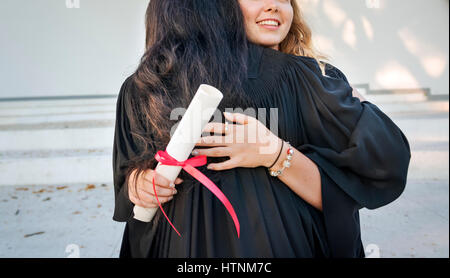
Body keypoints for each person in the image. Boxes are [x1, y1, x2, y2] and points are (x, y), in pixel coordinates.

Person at [112, 0, 411, 258]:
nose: (274, 5)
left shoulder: (304, 79)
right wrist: (140, 184)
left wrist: (276, 154)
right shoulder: (145, 89)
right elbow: (131, 178)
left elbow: (372, 169)